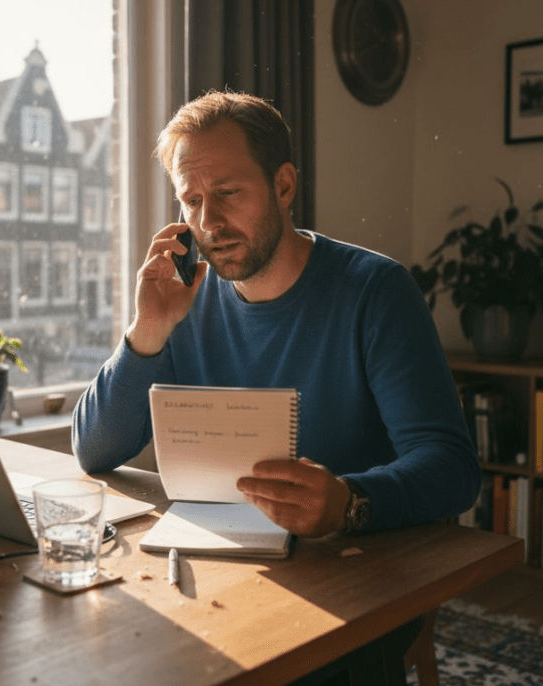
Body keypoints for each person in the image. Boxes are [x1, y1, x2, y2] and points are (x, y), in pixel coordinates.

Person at [72, 90, 480, 537]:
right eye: (192, 200)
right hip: (218, 565)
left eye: (228, 192)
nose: (208, 221)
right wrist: (147, 330)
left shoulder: (376, 291)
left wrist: (348, 500)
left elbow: (452, 470)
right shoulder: (181, 300)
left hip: (354, 566)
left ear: (283, 186)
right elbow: (94, 451)